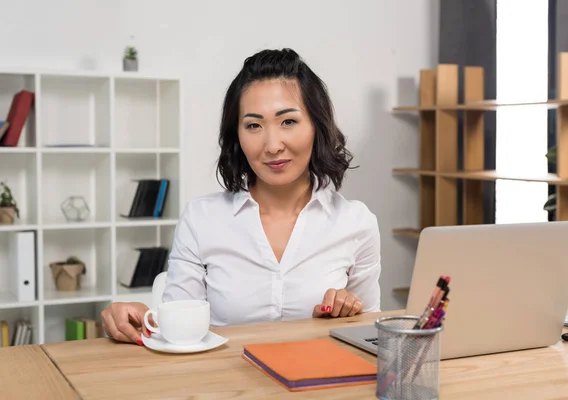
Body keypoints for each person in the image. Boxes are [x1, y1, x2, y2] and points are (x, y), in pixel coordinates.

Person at [101, 48, 382, 345]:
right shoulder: (202, 219)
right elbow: (177, 327)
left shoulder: (356, 223)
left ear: (317, 125)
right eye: (253, 125)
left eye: (288, 121)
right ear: (237, 136)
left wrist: (344, 315)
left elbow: (369, 332)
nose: (272, 145)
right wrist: (138, 317)